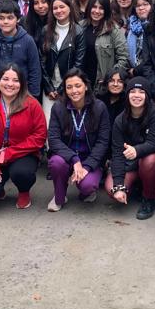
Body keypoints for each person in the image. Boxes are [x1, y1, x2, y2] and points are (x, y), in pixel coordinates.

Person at [0, 63, 47, 208]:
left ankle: (24, 191)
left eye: (16, 80)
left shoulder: (32, 104)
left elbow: (40, 136)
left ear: (22, 83)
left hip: (23, 154)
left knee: (22, 173)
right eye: (5, 79)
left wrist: (10, 152)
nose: (10, 84)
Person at [106, 77, 155, 220]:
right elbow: (117, 154)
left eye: (141, 92)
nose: (136, 95)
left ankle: (149, 199)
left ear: (147, 95)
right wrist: (118, 186)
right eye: (132, 91)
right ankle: (138, 185)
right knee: (112, 189)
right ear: (127, 95)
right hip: (131, 162)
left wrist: (136, 150)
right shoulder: (120, 120)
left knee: (149, 161)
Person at [46, 69, 111, 212]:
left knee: (88, 186)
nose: (74, 91)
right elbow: (54, 139)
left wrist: (86, 167)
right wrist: (74, 160)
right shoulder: (58, 107)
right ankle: (60, 196)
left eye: (78, 85)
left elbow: (103, 142)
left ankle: (85, 191)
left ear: (86, 86)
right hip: (67, 157)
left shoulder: (99, 107)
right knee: (56, 163)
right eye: (69, 87)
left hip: (89, 158)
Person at [0, 0, 42, 98]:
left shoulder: (28, 41)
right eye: (1, 18)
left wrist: (33, 96)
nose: (5, 22)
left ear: (18, 19)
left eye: (10, 18)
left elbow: (34, 70)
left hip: (21, 95)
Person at [41, 0, 86, 117]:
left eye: (62, 7)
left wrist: (62, 89)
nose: (59, 11)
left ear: (70, 8)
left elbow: (79, 63)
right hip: (49, 88)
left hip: (69, 86)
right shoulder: (46, 30)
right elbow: (42, 60)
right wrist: (49, 88)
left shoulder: (78, 31)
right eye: (55, 8)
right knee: (49, 123)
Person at [82, 0, 128, 93]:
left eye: (101, 8)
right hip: (81, 83)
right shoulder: (80, 27)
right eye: (94, 7)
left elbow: (123, 58)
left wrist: (110, 77)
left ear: (106, 10)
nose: (97, 11)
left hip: (102, 85)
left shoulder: (114, 30)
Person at [126, 0, 155, 68]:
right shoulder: (131, 27)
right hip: (133, 71)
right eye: (138, 5)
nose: (141, 8)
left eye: (145, 4)